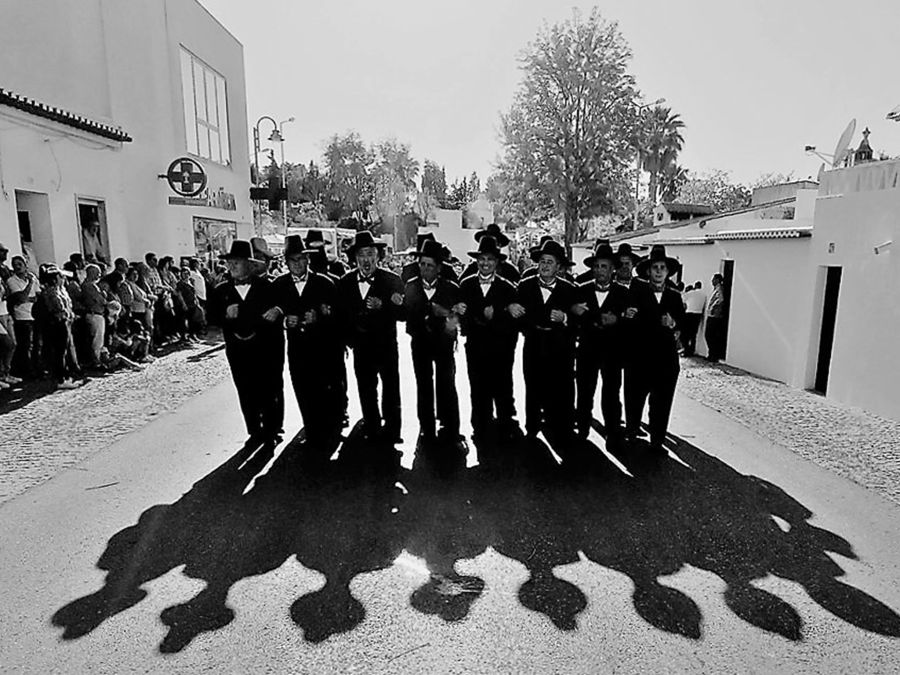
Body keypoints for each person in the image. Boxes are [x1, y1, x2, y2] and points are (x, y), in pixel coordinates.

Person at [270, 234, 343, 447]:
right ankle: (311, 430)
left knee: (325, 389)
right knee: (302, 388)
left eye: (302, 259)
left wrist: (319, 317)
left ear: (308, 259)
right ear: (286, 262)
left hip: (323, 348)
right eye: (293, 260)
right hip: (297, 348)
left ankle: (330, 429)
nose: (298, 264)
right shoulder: (279, 285)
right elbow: (270, 316)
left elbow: (338, 315)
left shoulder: (324, 283)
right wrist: (285, 321)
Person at [211, 240, 284, 445]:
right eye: (230, 263)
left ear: (249, 264)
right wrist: (226, 315)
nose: (232, 266)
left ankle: (271, 431)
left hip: (265, 349)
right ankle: (254, 431)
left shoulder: (267, 287)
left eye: (237, 262)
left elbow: (282, 310)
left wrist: (277, 311)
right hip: (238, 350)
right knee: (245, 390)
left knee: (268, 390)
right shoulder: (221, 290)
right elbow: (212, 319)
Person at [335, 231, 405, 442]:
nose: (366, 260)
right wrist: (349, 340)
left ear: (378, 256)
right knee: (366, 387)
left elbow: (404, 314)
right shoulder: (345, 282)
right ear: (355, 258)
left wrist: (386, 306)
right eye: (361, 255)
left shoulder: (392, 280)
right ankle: (371, 425)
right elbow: (341, 315)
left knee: (391, 386)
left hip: (386, 345)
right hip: (361, 346)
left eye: (370, 254)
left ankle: (393, 429)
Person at [510, 238, 578, 440]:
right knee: (532, 385)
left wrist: (565, 318)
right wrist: (514, 310)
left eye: (550, 262)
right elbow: (517, 316)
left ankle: (558, 427)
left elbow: (579, 321)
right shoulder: (525, 286)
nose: (545, 266)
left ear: (559, 267)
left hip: (560, 346)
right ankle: (532, 428)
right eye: (542, 261)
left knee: (559, 386)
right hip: (534, 342)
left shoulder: (569, 289)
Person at [456, 235, 520, 441]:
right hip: (475, 345)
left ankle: (504, 423)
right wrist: (475, 315)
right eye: (482, 259)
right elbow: (461, 318)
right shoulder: (465, 285)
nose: (485, 263)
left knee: (502, 385)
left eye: (490, 259)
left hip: (500, 346)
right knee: (477, 386)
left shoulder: (507, 287)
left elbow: (514, 321)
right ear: (476, 260)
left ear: (497, 262)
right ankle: (480, 425)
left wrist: (498, 314)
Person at [627, 245, 685, 452]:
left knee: (662, 402)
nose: (659, 271)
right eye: (655, 268)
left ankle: (657, 441)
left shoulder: (675, 297)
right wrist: (628, 315)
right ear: (648, 271)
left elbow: (684, 327)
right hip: (640, 357)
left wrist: (673, 324)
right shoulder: (636, 293)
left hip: (665, 360)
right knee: (634, 399)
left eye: (662, 268)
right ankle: (632, 434)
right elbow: (628, 321)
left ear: (668, 272)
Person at [403, 238, 462, 440]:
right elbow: (406, 315)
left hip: (443, 343)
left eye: (430, 265)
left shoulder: (451, 288)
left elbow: (456, 319)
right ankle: (426, 425)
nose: (425, 269)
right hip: (420, 343)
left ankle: (450, 424)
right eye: (422, 265)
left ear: (439, 268)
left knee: (447, 382)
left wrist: (445, 314)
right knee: (424, 383)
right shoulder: (411, 286)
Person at [571, 242, 630, 442]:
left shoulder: (623, 293)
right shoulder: (581, 290)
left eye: (604, 266)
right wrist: (579, 314)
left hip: (612, 351)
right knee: (584, 391)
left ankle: (613, 431)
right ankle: (582, 430)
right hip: (587, 349)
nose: (599, 270)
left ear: (612, 269)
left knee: (612, 393)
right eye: (596, 266)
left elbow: (631, 322)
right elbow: (574, 319)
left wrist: (617, 320)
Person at [33, 264, 82, 390]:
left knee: (63, 351)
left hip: (63, 322)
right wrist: (67, 314)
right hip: (57, 324)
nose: (63, 278)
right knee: (59, 352)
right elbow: (58, 308)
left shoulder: (59, 290)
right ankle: (60, 378)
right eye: (60, 276)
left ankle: (65, 375)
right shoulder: (51, 292)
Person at [5, 255, 39, 378]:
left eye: (20, 264)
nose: (17, 267)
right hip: (21, 316)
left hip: (34, 314)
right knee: (26, 346)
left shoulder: (32, 277)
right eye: (15, 265)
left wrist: (28, 298)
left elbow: (37, 296)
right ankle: (27, 371)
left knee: (36, 345)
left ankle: (37, 368)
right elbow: (21, 297)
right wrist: (30, 284)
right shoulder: (12, 281)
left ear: (25, 265)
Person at [80, 263, 108, 368]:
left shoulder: (91, 285)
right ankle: (96, 362)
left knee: (98, 340)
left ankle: (98, 359)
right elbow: (100, 300)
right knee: (97, 340)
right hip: (94, 314)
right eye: (97, 273)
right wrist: (103, 295)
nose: (99, 275)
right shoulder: (89, 286)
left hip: (97, 314)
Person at [705, 274, 726, 362]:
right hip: (712, 314)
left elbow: (721, 299)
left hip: (714, 315)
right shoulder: (716, 289)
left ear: (717, 280)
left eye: (713, 279)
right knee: (710, 335)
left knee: (709, 335)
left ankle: (713, 355)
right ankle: (712, 354)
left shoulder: (719, 288)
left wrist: (713, 307)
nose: (712, 281)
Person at [682, 281, 707, 357]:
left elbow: (682, 302)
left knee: (685, 334)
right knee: (693, 334)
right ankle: (692, 351)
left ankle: (686, 350)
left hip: (689, 314)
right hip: (698, 315)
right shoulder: (704, 295)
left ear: (695, 286)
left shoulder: (690, 293)